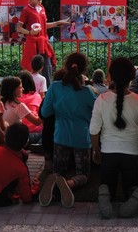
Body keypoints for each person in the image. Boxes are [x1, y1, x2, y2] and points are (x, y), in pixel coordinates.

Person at [89, 57, 138, 219]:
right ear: (132, 77)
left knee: (108, 183)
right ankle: (134, 192)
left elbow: (94, 130)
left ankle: (105, 191)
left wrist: (96, 149)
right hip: (132, 152)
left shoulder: (101, 100)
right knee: (131, 184)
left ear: (110, 76)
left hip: (108, 152)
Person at [39, 52, 97, 208]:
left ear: (65, 66)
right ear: (84, 71)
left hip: (60, 137)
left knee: (60, 169)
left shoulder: (55, 87)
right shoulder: (87, 93)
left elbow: (44, 113)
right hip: (82, 139)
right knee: (83, 174)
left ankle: (56, 177)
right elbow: (98, 113)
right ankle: (70, 184)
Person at [17, 0, 69, 87]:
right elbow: (19, 28)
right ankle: (34, 91)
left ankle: (48, 91)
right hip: (32, 43)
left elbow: (44, 26)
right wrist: (30, 32)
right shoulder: (26, 10)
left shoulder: (42, 8)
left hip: (43, 43)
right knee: (34, 70)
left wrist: (58, 22)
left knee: (47, 67)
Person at [1, 76, 42, 144]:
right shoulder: (18, 106)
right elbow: (37, 122)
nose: (23, 89)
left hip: (3, 138)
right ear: (13, 90)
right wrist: (45, 108)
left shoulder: (0, 103)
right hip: (15, 141)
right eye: (20, 87)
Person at [17, 70, 44, 145]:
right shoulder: (36, 96)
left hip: (16, 134)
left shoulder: (13, 99)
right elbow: (39, 119)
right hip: (33, 132)